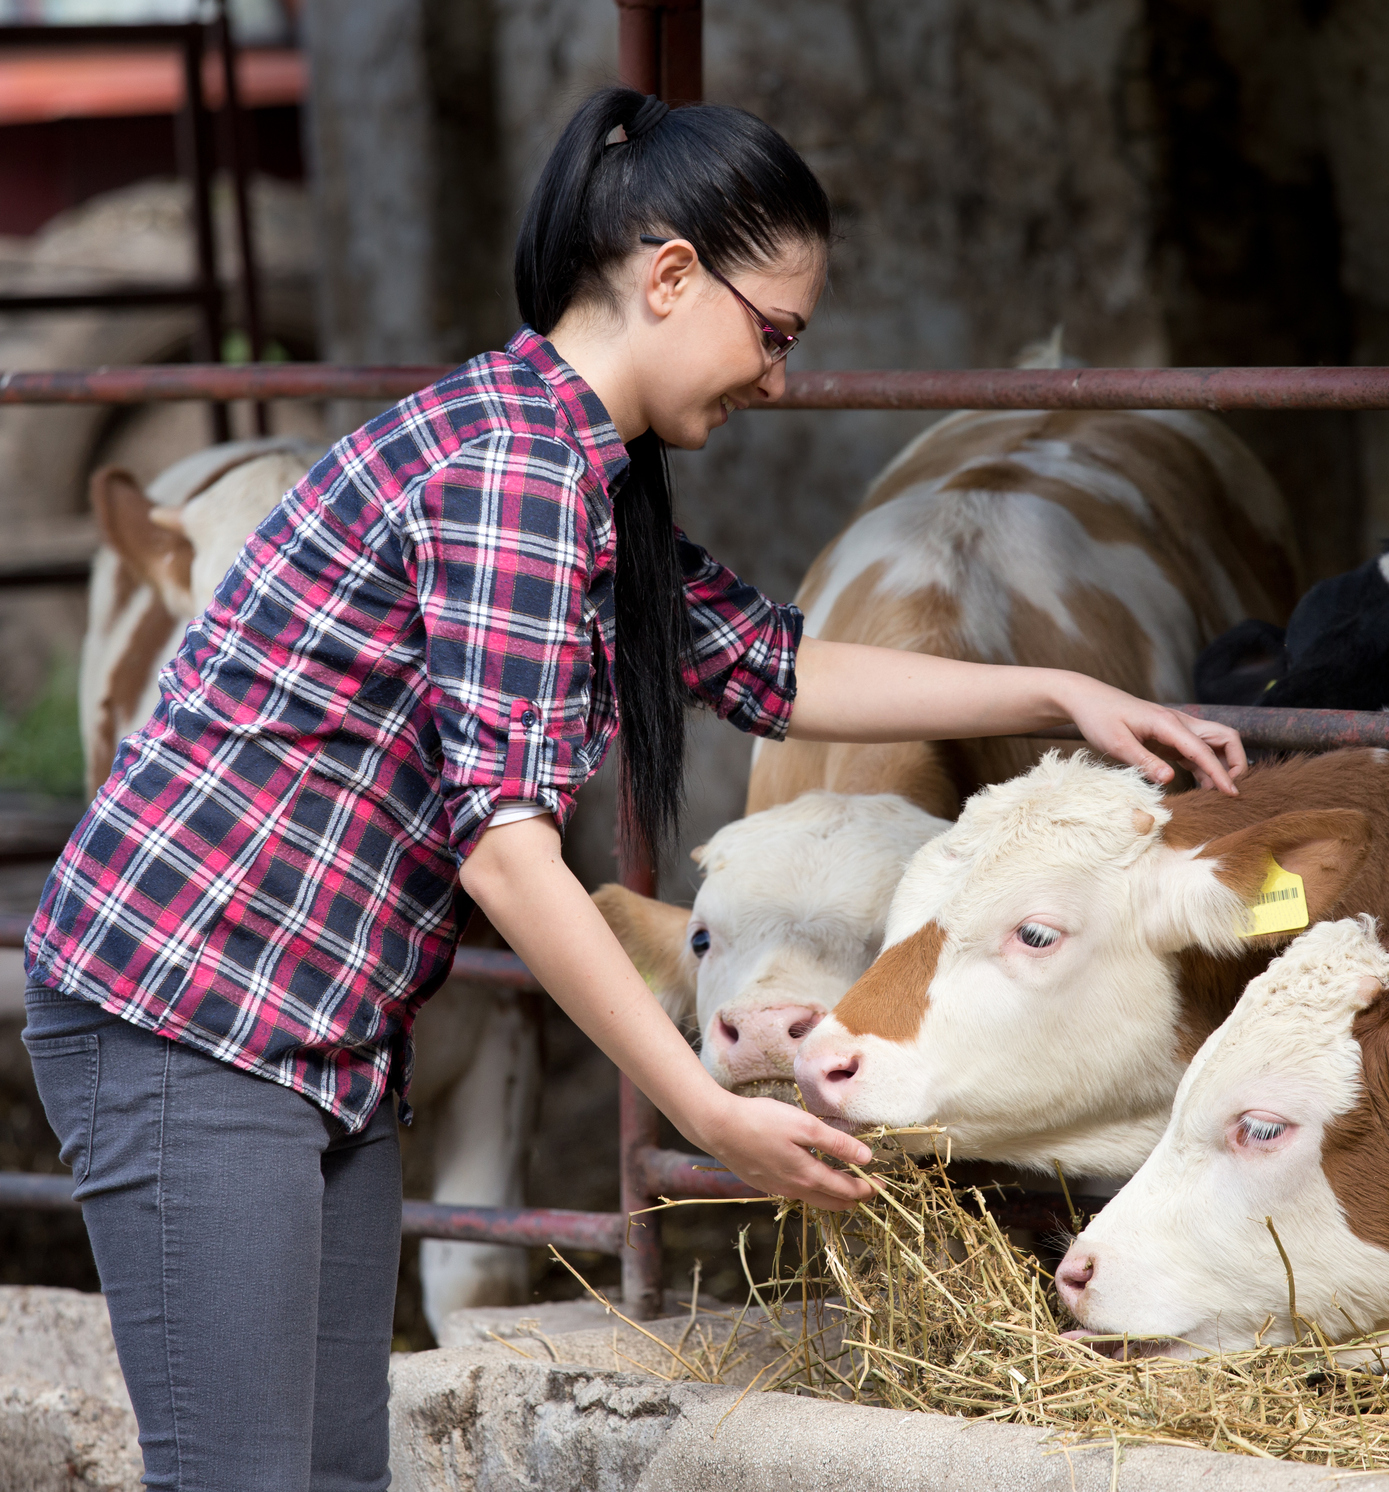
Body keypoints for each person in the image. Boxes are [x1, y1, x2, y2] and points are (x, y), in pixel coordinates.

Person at [19, 88, 1244, 1491]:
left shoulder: (578, 475)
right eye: (772, 333)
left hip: (314, 1035)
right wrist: (704, 1109)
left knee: (334, 1474)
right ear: (671, 278)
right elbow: (505, 853)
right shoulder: (514, 475)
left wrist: (1056, 695)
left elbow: (773, 667)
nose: (778, 376)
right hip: (187, 1018)